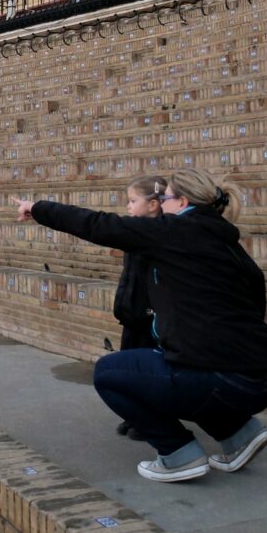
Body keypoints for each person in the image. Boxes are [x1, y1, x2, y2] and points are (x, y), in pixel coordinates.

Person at [13, 168, 267, 483]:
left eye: (165, 198)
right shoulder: (228, 243)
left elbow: (99, 225)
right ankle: (240, 435)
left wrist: (38, 208)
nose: (161, 204)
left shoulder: (173, 232)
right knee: (179, 370)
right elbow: (255, 297)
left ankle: (179, 454)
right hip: (263, 378)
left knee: (111, 374)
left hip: (224, 379)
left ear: (181, 202)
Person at [111, 175, 166, 441]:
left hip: (149, 318)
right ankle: (134, 416)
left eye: (133, 201)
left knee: (146, 372)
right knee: (128, 369)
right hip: (132, 314)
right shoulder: (134, 233)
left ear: (153, 205)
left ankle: (151, 420)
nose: (128, 207)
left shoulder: (158, 235)